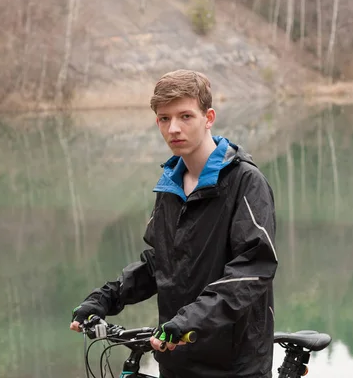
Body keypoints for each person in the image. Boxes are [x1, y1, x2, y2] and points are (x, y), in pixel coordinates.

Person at [70, 70, 278, 378]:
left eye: (185, 116)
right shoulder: (170, 186)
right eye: (164, 119)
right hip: (175, 358)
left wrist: (190, 320)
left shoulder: (245, 182)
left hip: (234, 365)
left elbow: (252, 270)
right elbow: (161, 264)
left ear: (209, 117)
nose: (174, 128)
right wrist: (107, 297)